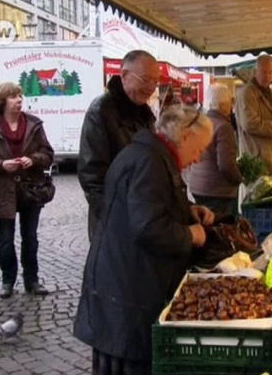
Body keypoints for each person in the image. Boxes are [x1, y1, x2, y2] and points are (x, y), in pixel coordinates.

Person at [73, 105, 215, 374]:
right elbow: (148, 226)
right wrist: (189, 234)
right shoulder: (149, 161)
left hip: (125, 286)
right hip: (124, 294)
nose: (199, 157)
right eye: (200, 148)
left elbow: (152, 204)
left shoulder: (154, 155)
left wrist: (186, 210)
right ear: (184, 136)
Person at [0, 82, 54, 299]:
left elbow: (48, 154)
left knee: (30, 238)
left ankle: (32, 279)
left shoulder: (33, 125)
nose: (19, 100)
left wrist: (33, 160)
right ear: (2, 101)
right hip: (3, 191)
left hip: (31, 189)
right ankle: (7, 281)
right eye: (13, 97)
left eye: (20, 96)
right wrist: (2, 165)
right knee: (6, 239)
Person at [78, 50, 160, 241]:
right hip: (116, 222)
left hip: (140, 215)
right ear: (124, 75)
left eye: (155, 81)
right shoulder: (101, 110)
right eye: (146, 79)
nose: (151, 87)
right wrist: (114, 217)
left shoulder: (143, 113)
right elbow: (92, 176)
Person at [188, 84, 243, 215]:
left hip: (197, 186)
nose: (231, 106)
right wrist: (239, 179)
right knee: (222, 230)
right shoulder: (224, 127)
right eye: (230, 102)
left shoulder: (200, 122)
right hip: (218, 190)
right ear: (222, 105)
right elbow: (226, 165)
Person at [235, 54, 272, 178]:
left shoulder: (268, 93)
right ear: (255, 72)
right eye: (264, 72)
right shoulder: (247, 93)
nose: (268, 76)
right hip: (258, 162)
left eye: (270, 72)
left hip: (270, 159)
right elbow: (250, 124)